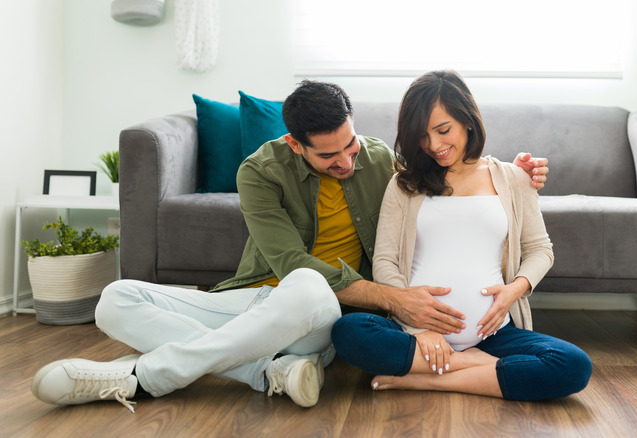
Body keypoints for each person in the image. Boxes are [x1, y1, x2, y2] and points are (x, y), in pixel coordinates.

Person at [31, 79, 550, 412]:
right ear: (294, 145)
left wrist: (516, 172)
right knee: (115, 298)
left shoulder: (378, 162)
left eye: (350, 143)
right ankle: (265, 371)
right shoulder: (258, 172)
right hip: (258, 298)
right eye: (329, 156)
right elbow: (286, 262)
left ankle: (143, 378)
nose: (347, 161)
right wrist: (394, 299)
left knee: (308, 287)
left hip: (321, 314)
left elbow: (448, 174)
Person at [331, 70, 591, 401]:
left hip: (493, 334)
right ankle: (478, 370)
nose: (434, 145)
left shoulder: (514, 178)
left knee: (573, 365)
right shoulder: (403, 185)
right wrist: (419, 328)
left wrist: (514, 291)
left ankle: (430, 378)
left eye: (443, 130)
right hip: (413, 334)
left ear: (467, 120)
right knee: (349, 333)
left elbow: (540, 249)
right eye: (423, 137)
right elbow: (385, 260)